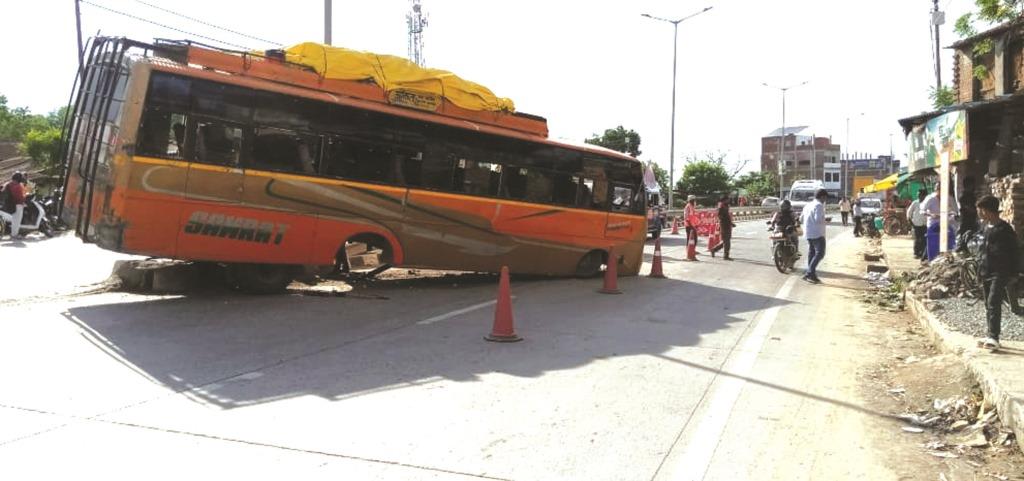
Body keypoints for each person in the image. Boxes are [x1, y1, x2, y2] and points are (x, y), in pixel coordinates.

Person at [975, 195, 1018, 351]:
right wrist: (979, 271)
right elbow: (982, 252)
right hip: (986, 270)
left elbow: (1015, 252)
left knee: (994, 302)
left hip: (1000, 272)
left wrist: (1015, 273)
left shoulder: (1005, 230)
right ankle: (989, 334)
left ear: (986, 211)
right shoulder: (985, 228)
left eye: (980, 209)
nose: (979, 213)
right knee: (988, 303)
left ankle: (994, 337)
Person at [923, 179, 960, 259]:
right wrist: (931, 215)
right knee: (934, 248)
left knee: (949, 247)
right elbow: (922, 211)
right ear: (936, 189)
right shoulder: (930, 198)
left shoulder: (950, 199)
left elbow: (956, 211)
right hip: (933, 225)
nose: (940, 191)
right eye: (938, 189)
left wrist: (950, 214)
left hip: (947, 225)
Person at [800, 189, 828, 284]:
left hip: (808, 232)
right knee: (820, 253)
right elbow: (818, 219)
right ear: (822, 197)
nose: (825, 200)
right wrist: (826, 220)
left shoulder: (808, 205)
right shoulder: (819, 205)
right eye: (825, 198)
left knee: (812, 253)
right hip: (817, 233)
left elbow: (801, 218)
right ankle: (809, 273)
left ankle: (812, 274)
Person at [1, 172, 27, 239]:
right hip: (17, 205)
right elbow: (19, 196)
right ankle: (14, 235)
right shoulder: (17, 186)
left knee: (14, 220)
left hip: (8, 204)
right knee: (16, 221)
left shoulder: (8, 184)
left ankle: (13, 233)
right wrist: (23, 201)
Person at [957, 176, 979, 250]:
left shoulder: (972, 195)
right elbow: (968, 208)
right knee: (965, 239)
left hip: (972, 221)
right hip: (966, 221)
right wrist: (977, 211)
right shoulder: (964, 197)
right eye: (973, 185)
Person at [907, 188, 928, 259]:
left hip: (925, 225)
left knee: (924, 240)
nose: (918, 196)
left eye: (920, 195)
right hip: (916, 225)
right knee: (917, 239)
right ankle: (916, 253)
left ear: (924, 196)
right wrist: (910, 221)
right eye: (918, 195)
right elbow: (909, 212)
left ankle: (922, 253)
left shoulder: (928, 203)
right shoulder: (915, 203)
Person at [716, 195, 735, 260]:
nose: (729, 200)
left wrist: (730, 223)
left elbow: (727, 216)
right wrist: (725, 221)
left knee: (726, 240)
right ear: (724, 200)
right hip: (724, 225)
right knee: (727, 241)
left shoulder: (725, 205)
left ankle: (714, 249)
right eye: (727, 199)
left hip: (727, 224)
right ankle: (725, 256)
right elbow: (720, 215)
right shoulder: (721, 206)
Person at [684, 195, 699, 261]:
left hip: (692, 225)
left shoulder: (692, 207)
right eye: (694, 200)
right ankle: (689, 251)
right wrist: (691, 225)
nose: (695, 201)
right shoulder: (688, 207)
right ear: (691, 200)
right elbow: (686, 217)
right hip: (689, 225)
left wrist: (696, 224)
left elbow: (693, 216)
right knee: (690, 239)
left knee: (695, 239)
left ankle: (692, 249)